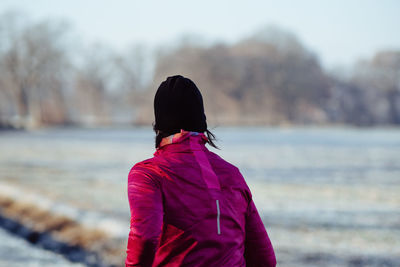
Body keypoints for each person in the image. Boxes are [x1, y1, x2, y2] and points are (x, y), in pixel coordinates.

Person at [125, 75, 276, 267]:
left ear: (159, 125)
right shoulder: (232, 174)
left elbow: (145, 238)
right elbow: (265, 259)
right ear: (201, 121)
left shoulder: (149, 174)